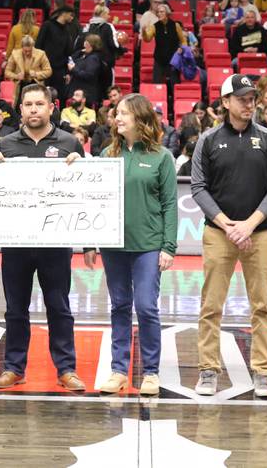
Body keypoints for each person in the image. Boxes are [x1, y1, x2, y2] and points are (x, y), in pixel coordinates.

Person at [191, 74, 267, 398]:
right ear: (226, 102)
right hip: (219, 233)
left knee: (262, 306)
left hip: (259, 234)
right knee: (211, 305)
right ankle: (207, 370)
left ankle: (262, 371)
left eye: (253, 98)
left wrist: (248, 224)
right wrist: (229, 224)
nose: (250, 103)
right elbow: (198, 188)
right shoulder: (208, 140)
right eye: (242, 98)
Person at [0, 84, 86, 392]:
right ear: (21, 110)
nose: (33, 109)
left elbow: (87, 192)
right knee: (15, 308)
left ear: (51, 107)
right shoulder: (4, 145)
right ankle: (14, 368)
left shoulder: (70, 143)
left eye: (38, 104)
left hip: (55, 242)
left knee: (59, 306)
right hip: (16, 241)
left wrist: (82, 169)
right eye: (27, 104)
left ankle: (66, 368)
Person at [83, 94, 177, 396]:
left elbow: (170, 204)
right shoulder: (107, 155)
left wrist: (169, 246)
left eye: (124, 113)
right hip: (113, 246)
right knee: (119, 306)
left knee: (146, 307)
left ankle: (151, 372)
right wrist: (90, 241)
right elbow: (92, 199)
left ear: (140, 118)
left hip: (148, 245)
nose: (117, 118)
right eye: (116, 113)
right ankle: (119, 370)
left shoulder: (162, 157)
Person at [36, 6, 75, 104]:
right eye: (71, 15)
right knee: (43, 95)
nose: (72, 18)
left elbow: (68, 52)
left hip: (60, 70)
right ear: (63, 13)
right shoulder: (47, 25)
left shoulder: (67, 30)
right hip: (45, 68)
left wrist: (67, 72)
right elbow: (38, 45)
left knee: (60, 96)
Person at [144, 4, 186, 85]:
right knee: (156, 83)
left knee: (174, 83)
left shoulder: (176, 25)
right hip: (159, 59)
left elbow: (183, 40)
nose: (159, 14)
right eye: (158, 12)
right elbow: (147, 39)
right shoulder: (154, 26)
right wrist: (143, 32)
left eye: (162, 12)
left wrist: (182, 48)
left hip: (173, 60)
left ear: (167, 13)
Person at [4, 36, 52, 101]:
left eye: (30, 51)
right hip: (20, 85)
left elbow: (49, 71)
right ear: (22, 47)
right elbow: (7, 72)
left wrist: (36, 74)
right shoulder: (14, 54)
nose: (27, 53)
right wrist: (16, 76)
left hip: (36, 84)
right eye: (25, 51)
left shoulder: (41, 54)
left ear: (33, 47)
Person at [66, 34, 104, 107]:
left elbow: (88, 75)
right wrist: (80, 52)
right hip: (77, 89)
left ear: (93, 45)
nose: (84, 45)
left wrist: (73, 69)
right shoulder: (84, 55)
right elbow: (72, 57)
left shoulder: (93, 58)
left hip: (85, 93)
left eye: (87, 43)